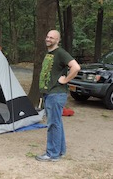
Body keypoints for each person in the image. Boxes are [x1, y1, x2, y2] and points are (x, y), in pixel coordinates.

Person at [36, 30, 80, 162]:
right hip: (50, 94)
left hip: (56, 93)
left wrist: (65, 80)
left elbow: (76, 67)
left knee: (53, 124)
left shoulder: (60, 53)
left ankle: (52, 154)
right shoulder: (50, 53)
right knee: (57, 123)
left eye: (52, 38)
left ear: (57, 40)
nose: (48, 39)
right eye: (47, 36)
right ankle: (60, 151)